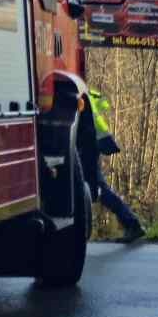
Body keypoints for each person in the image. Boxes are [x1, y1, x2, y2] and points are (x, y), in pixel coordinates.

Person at [57, 77, 145, 243]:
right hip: (91, 145)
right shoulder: (85, 93)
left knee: (98, 189)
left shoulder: (73, 94)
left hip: (88, 146)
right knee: (95, 188)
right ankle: (131, 224)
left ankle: (132, 224)